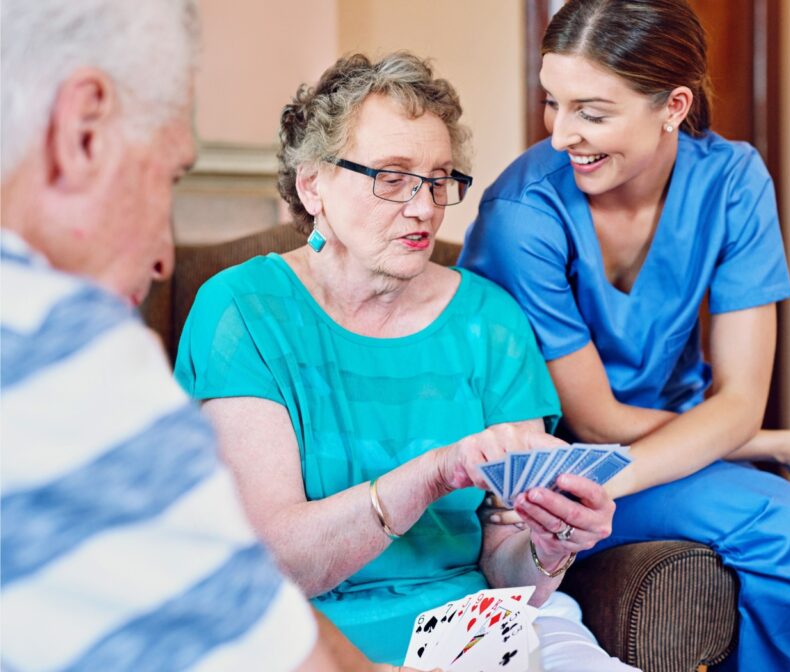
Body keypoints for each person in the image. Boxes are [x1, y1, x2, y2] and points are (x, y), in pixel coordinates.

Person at [172, 52, 636, 671]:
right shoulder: (242, 311)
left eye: (440, 178)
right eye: (391, 177)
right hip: (302, 636)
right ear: (313, 185)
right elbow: (275, 566)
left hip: (471, 635)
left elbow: (507, 571)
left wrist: (550, 546)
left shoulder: (489, 321)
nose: (423, 207)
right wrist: (433, 474)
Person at [459, 0, 790, 670]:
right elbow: (594, 425)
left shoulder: (733, 179)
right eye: (552, 103)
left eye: (592, 112)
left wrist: (736, 439)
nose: (563, 133)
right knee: (776, 519)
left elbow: (740, 395)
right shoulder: (523, 214)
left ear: (674, 106)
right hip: (551, 474)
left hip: (664, 452)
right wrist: (775, 445)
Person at [0, 1, 420, 670]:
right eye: (168, 176)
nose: (166, 258)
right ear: (83, 132)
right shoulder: (62, 347)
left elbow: (242, 601)